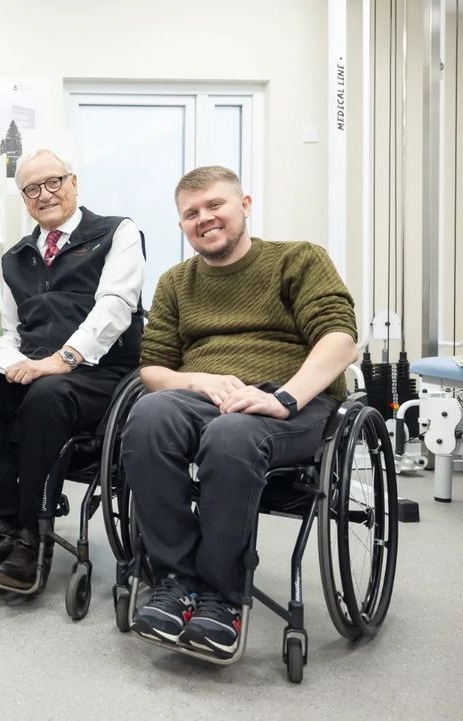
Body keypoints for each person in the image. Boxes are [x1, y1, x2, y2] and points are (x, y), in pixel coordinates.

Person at [122, 165, 358, 659]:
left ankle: (221, 594)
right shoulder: (176, 282)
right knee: (147, 417)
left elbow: (340, 339)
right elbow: (154, 369)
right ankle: (175, 580)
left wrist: (284, 398)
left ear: (244, 205)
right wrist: (199, 380)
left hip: (291, 399)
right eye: (191, 213)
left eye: (215, 205)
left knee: (232, 435)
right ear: (182, 224)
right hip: (205, 395)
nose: (204, 218)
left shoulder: (297, 259)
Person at [0, 149, 145, 589]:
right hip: (38, 367)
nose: (44, 194)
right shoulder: (15, 257)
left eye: (53, 182)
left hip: (99, 372)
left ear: (73, 183)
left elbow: (116, 307)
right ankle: (0, 526)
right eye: (32, 189)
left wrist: (63, 360)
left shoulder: (116, 232)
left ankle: (30, 534)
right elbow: (15, 331)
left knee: (47, 393)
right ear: (24, 199)